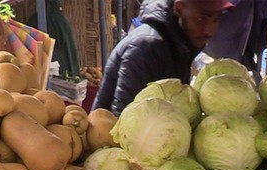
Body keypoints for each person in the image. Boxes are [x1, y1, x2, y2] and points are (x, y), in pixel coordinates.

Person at [93, 0, 233, 116]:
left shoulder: (179, 42)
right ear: (179, 9)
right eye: (201, 18)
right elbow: (124, 118)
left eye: (216, 20)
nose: (209, 30)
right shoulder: (148, 47)